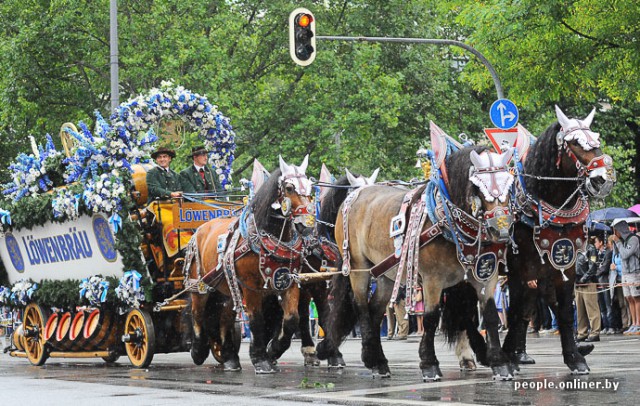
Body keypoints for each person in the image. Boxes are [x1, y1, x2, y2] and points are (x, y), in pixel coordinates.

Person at [611, 220, 640, 335]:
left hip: (634, 272)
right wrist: (615, 243)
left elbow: (625, 254)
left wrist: (618, 242)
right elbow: (617, 253)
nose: (615, 233)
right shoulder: (621, 241)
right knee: (629, 298)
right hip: (625, 273)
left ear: (621, 230)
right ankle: (633, 323)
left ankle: (638, 323)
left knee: (636, 297)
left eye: (616, 230)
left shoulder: (633, 239)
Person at [575, 237, 602, 342]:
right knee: (580, 310)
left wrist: (584, 278)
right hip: (578, 282)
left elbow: (593, 266)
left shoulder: (591, 249)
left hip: (588, 282)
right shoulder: (576, 248)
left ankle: (595, 332)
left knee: (592, 309)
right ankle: (582, 332)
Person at [595, 235, 616, 334]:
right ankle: (606, 326)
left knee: (608, 304)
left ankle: (611, 326)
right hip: (597, 282)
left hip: (604, 281)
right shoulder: (595, 253)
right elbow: (594, 266)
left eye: (596, 242)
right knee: (602, 305)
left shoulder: (608, 252)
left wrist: (595, 273)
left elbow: (605, 267)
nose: (595, 244)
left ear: (601, 242)